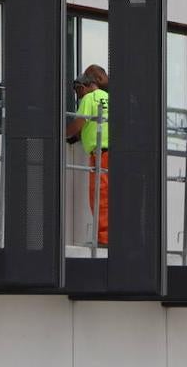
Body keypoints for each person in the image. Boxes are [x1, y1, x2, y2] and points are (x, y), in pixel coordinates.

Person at [66, 65, 109, 246]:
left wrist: (61, 134)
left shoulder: (89, 98)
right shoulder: (108, 97)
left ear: (85, 86)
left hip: (101, 154)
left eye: (78, 91)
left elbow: (79, 123)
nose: (78, 95)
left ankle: (104, 239)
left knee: (100, 197)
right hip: (115, 153)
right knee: (110, 197)